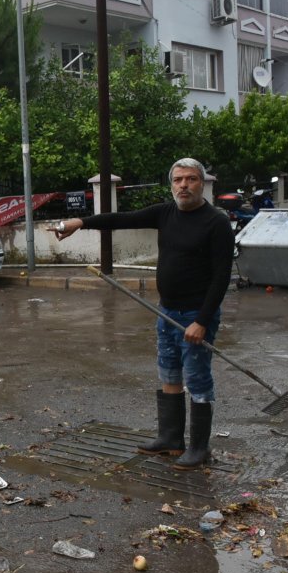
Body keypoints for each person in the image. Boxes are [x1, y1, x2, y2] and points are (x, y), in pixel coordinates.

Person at [54, 158, 233, 469]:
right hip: (166, 311)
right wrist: (79, 223)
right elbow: (121, 219)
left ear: (202, 184)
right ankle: (171, 439)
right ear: (171, 184)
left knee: (197, 378)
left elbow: (221, 277)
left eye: (190, 179)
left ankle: (200, 448)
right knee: (169, 372)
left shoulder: (215, 222)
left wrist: (202, 321)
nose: (183, 185)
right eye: (178, 179)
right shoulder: (165, 213)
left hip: (195, 314)